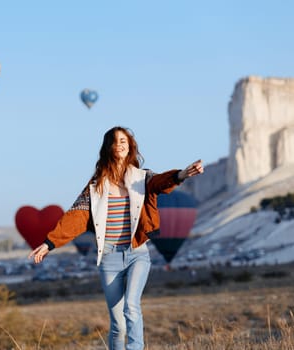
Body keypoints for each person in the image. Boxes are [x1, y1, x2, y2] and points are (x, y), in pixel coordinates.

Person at [28, 126, 203, 350]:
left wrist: (181, 175)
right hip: (109, 258)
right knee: (118, 325)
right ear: (108, 147)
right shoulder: (96, 186)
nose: (119, 144)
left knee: (131, 305)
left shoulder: (143, 178)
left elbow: (160, 182)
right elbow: (76, 217)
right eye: (115, 141)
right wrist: (49, 243)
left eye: (124, 141)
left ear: (130, 147)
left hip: (136, 253)